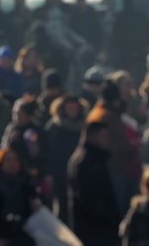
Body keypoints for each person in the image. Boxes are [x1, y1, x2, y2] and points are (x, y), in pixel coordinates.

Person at [87, 81, 142, 214]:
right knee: (118, 207)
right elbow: (111, 144)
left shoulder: (100, 113)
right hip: (114, 168)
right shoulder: (107, 116)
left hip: (114, 167)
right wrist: (130, 146)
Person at [68, 121, 121, 246]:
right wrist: (107, 217)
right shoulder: (86, 162)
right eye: (104, 137)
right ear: (93, 136)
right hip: (94, 227)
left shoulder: (95, 159)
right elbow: (88, 196)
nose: (107, 141)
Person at [45, 95, 89, 223]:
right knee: (62, 207)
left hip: (79, 173)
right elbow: (49, 152)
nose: (72, 110)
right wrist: (49, 173)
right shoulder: (54, 126)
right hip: (59, 172)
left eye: (74, 108)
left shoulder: (84, 126)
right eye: (69, 107)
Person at [0, 148, 35, 246]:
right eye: (8, 160)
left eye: (15, 160)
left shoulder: (27, 185)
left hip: (25, 236)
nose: (12, 163)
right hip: (4, 237)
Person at [1, 99, 50, 203]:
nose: (15, 117)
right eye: (14, 113)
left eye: (19, 114)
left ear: (28, 116)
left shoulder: (37, 132)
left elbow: (42, 155)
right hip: (11, 175)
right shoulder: (11, 129)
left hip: (30, 177)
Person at [111, 0, 149, 74]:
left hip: (125, 50)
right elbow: (147, 30)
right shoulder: (140, 15)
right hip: (139, 49)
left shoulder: (120, 16)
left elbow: (115, 35)